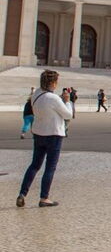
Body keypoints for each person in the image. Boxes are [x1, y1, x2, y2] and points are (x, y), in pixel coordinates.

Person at [17, 70, 73, 207]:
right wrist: (67, 101)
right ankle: (44, 198)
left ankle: (22, 194)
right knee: (50, 167)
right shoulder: (54, 98)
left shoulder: (36, 94)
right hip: (53, 134)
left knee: (35, 165)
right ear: (53, 83)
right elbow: (68, 115)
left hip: (38, 133)